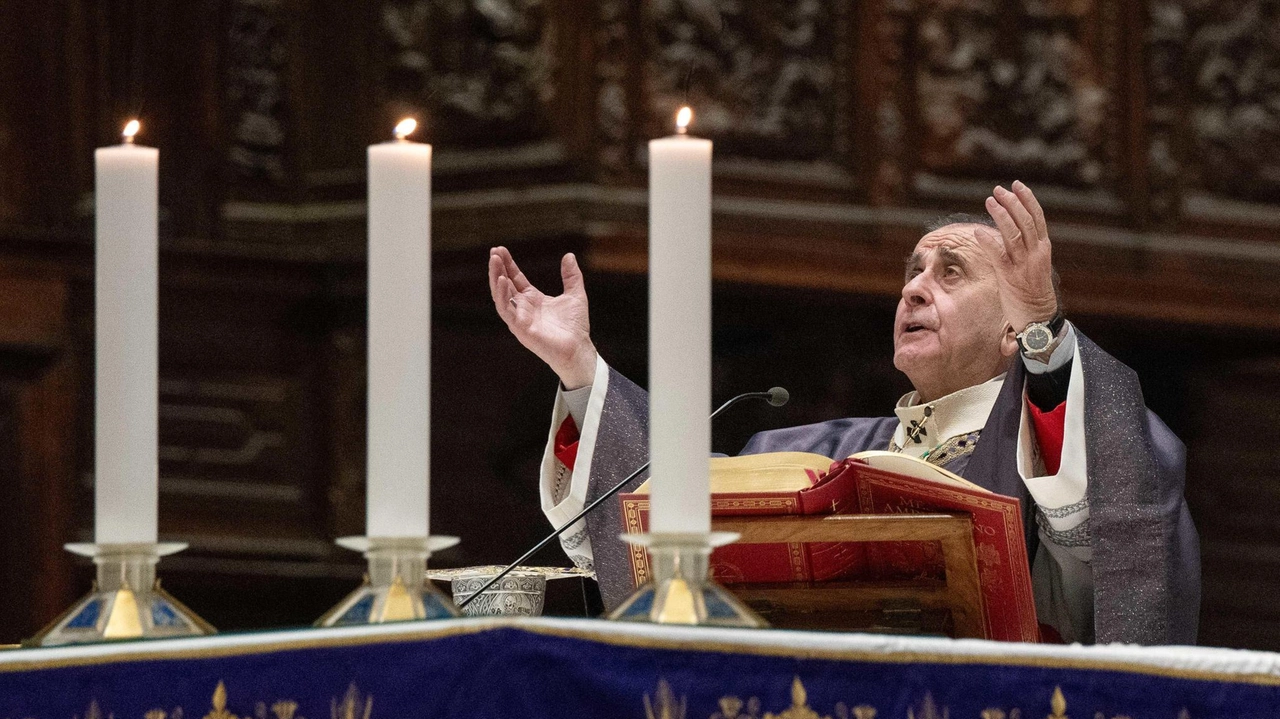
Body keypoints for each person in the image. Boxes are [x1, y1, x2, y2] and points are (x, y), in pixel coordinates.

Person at [487, 182, 1200, 645]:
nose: (915, 289)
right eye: (912, 271)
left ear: (1017, 322)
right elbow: (655, 535)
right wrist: (580, 369)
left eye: (951, 271)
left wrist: (1047, 331)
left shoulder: (1050, 442)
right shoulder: (816, 450)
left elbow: (1112, 515)